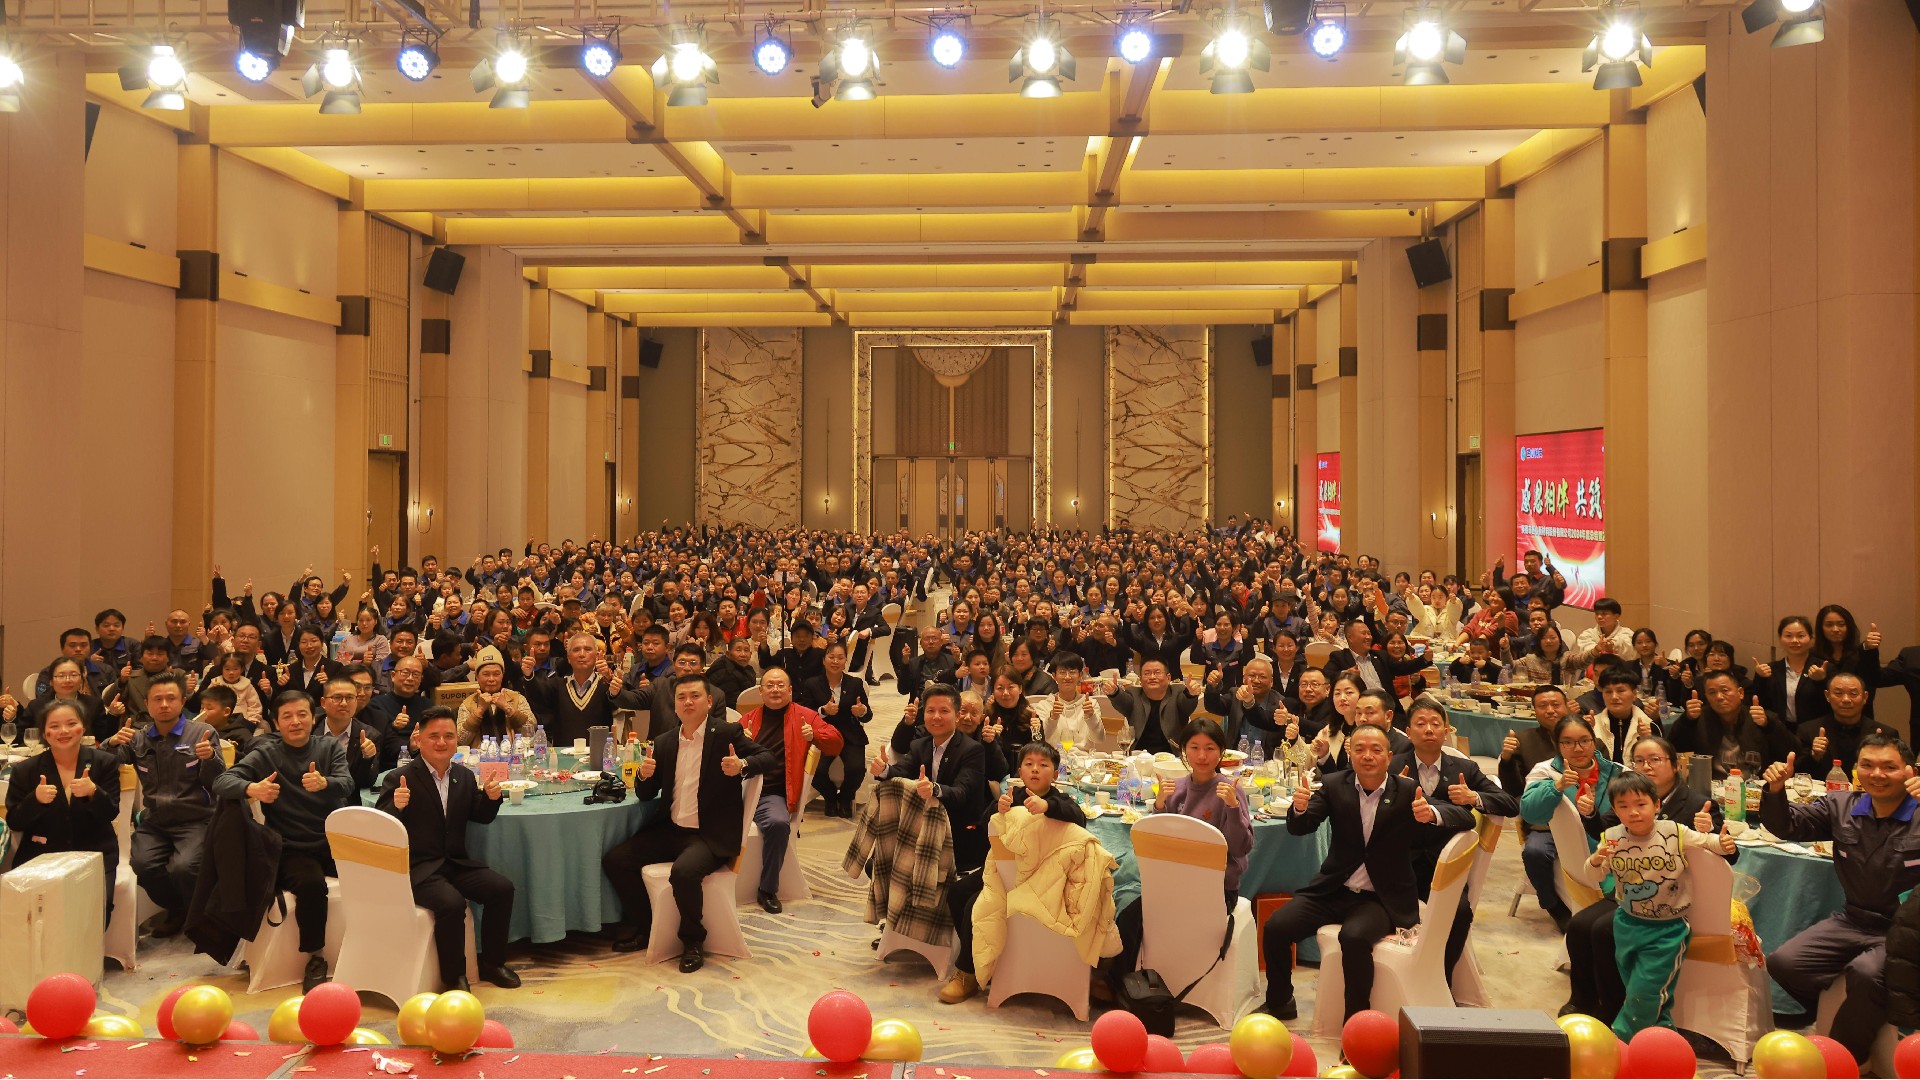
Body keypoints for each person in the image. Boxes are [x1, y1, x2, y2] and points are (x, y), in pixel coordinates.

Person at [1259, 724, 1449, 1020]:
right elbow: (1301, 827)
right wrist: (1299, 809)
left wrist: (1432, 814)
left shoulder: (1408, 790)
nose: (1367, 756)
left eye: (1376, 750)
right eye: (1359, 749)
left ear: (1389, 757)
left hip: (1379, 898)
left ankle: (1356, 1020)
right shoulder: (1335, 784)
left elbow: (1460, 818)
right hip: (1333, 890)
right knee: (1276, 927)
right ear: (1350, 755)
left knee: (1354, 938)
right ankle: (1280, 1001)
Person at [1763, 734, 1920, 1057]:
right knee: (1785, 962)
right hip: (1853, 919)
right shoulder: (1841, 806)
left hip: (1906, 932)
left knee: (1866, 974)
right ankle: (1825, 1015)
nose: (1877, 774)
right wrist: (1776, 789)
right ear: (1856, 770)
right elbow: (1788, 826)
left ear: (1910, 771)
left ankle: (1846, 1057)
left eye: (1889, 767)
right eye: (1867, 765)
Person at [602, 676, 770, 971]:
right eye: (681, 697)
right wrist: (644, 775)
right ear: (675, 705)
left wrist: (742, 765)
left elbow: (768, 758)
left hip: (709, 835)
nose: (688, 702)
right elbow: (645, 794)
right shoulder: (665, 741)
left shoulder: (726, 733)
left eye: (695, 696)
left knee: (683, 872)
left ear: (709, 701)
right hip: (671, 830)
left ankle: (692, 941)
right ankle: (648, 927)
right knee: (616, 860)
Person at [1565, 735, 1731, 1025]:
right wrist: (1590, 818)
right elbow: (1602, 841)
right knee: (1580, 926)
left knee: (1607, 936)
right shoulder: (1625, 801)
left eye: (1655, 759)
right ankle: (1588, 1000)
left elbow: (1720, 849)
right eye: (1639, 761)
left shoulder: (1694, 807)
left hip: (1669, 908)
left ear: (1675, 765)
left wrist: (1714, 833)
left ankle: (1619, 1017)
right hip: (1629, 900)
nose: (1646, 766)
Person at [213, 690, 357, 991]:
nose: (296, 721)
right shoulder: (267, 753)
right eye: (287, 716)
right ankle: (316, 957)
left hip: (333, 841)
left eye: (302, 714)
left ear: (313, 718)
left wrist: (325, 783)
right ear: (276, 723)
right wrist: (253, 788)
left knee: (377, 873)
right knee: (311, 885)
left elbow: (347, 783)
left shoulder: (329, 747)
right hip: (292, 846)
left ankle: (368, 950)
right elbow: (222, 781)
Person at [375, 707, 520, 990]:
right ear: (419, 738)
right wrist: (397, 806)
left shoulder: (463, 776)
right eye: (434, 736)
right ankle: (454, 977)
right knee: (452, 904)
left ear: (457, 740)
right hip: (418, 868)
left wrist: (492, 798)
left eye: (449, 736)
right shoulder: (399, 778)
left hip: (454, 862)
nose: (442, 742)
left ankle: (493, 964)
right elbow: (381, 829)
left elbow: (481, 816)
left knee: (502, 889)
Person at [1106, 718, 1252, 989]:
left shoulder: (1230, 790)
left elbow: (1240, 848)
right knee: (1129, 912)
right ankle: (1123, 985)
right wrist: (1160, 805)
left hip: (1217, 889)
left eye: (1210, 748)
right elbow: (1158, 844)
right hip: (1174, 884)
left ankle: (1126, 986)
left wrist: (1233, 808)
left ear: (1221, 752)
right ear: (1184, 751)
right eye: (1194, 747)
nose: (1202, 756)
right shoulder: (1177, 788)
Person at [940, 739, 1086, 1005]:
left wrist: (1048, 807)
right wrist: (997, 808)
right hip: (1001, 870)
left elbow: (1079, 817)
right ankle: (983, 957)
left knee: (976, 904)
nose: (1035, 769)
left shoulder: (1058, 799)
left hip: (1036, 876)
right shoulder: (1013, 796)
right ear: (1019, 772)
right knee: (958, 893)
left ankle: (967, 972)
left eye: (1043, 765)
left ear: (1055, 774)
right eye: (1029, 764)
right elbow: (986, 828)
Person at [1390, 696, 1518, 980]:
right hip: (1400, 865)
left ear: (1446, 731)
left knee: (1460, 912)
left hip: (1446, 866)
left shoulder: (1463, 768)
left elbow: (1510, 805)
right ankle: (1401, 978)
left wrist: (1473, 797)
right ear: (1408, 732)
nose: (1428, 729)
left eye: (1435, 724)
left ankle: (1441, 978)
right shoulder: (1393, 766)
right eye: (1420, 724)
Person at [102, 673, 223, 938]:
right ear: (147, 703)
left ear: (183, 701)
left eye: (171, 698)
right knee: (142, 864)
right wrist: (111, 743)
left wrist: (210, 757)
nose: (164, 704)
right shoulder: (139, 738)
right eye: (157, 699)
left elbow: (218, 781)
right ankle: (179, 909)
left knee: (184, 868)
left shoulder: (202, 733)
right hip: (156, 821)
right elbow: (104, 765)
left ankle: (203, 920)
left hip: (196, 819)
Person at [3, 700, 121, 926]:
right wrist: (35, 801)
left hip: (94, 853)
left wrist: (94, 793)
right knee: (37, 917)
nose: (63, 731)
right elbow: (15, 822)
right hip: (41, 855)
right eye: (54, 726)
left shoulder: (104, 762)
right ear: (44, 733)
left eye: (71, 723)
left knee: (95, 913)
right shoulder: (25, 770)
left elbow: (110, 813)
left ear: (83, 727)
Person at [735, 667, 840, 913]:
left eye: (781, 685)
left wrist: (814, 735)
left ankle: (767, 888)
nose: (775, 690)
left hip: (772, 794)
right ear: (761, 692)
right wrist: (739, 742)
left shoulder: (805, 716)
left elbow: (836, 743)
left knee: (778, 824)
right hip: (740, 790)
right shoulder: (748, 719)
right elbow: (724, 753)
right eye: (770, 685)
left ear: (790, 691)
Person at [1518, 714, 1627, 933]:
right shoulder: (1545, 770)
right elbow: (1529, 812)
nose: (1577, 748)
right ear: (1557, 745)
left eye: (1584, 740)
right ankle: (1553, 906)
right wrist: (1556, 787)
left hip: (1600, 832)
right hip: (1551, 831)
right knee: (1534, 852)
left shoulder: (1616, 771)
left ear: (1594, 741)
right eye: (1567, 742)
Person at [1667, 671, 1796, 779]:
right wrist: (1688, 720)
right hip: (1713, 786)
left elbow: (1792, 750)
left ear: (1740, 693)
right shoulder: (1699, 719)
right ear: (1706, 696)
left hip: (1755, 786)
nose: (1719, 697)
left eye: (1725, 690)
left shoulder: (1759, 717)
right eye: (1712, 692)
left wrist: (1768, 725)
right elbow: (1673, 748)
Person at [526, 632, 646, 747]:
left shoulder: (606, 685)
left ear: (597, 656)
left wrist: (610, 680)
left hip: (599, 754)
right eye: (576, 650)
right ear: (568, 658)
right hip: (563, 756)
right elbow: (536, 698)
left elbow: (622, 702)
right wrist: (528, 675)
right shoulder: (557, 685)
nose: (582, 654)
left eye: (587, 649)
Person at [797, 640, 869, 818]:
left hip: (850, 734)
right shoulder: (812, 684)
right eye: (831, 657)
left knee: (857, 769)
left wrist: (862, 711)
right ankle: (830, 797)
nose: (835, 661)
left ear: (845, 661)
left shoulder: (855, 683)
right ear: (824, 660)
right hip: (823, 734)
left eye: (840, 658)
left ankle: (845, 798)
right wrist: (823, 711)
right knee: (816, 770)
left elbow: (867, 715)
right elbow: (804, 713)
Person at [1799, 673, 1897, 778]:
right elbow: (1797, 774)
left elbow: (1897, 773)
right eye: (1838, 693)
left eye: (1853, 694)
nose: (1846, 699)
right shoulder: (1808, 730)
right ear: (1827, 696)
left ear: (1865, 697)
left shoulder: (1886, 734)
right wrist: (1814, 756)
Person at [1101, 659, 1201, 756]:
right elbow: (1123, 701)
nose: (1152, 677)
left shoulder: (1177, 692)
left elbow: (1186, 704)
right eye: (1147, 673)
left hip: (1172, 756)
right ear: (1140, 680)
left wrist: (1190, 694)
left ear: (1168, 678)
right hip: (1138, 756)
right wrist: (1114, 692)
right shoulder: (1134, 694)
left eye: (1157, 673)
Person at [1752, 616, 1831, 729]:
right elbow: (1761, 703)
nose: (1794, 640)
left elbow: (1831, 705)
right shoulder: (1770, 669)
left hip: (1814, 730)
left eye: (1801, 636)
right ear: (1780, 639)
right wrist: (1760, 678)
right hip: (1779, 729)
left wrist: (1821, 681)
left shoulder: (1824, 668)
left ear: (1811, 639)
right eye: (1788, 636)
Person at [455, 649, 537, 748]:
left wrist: (507, 707)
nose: (491, 679)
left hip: (515, 755)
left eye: (496, 674)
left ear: (503, 675)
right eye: (486, 674)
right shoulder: (468, 704)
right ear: (477, 676)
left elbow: (531, 730)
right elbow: (461, 740)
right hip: (479, 756)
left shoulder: (516, 698)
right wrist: (479, 711)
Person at [315, 676, 384, 791]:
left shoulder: (370, 735)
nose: (344, 703)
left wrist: (367, 759)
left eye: (350, 698)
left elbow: (366, 783)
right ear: (323, 702)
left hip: (348, 798)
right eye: (337, 697)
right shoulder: (310, 728)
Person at [1569, 598, 1635, 669]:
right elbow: (1585, 654)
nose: (1599, 617)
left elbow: (1629, 650)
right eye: (1597, 613)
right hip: (1593, 673)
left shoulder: (1627, 633)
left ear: (1616, 616)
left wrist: (1612, 645)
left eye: (1604, 614)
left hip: (1620, 672)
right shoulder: (1587, 634)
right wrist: (1598, 648)